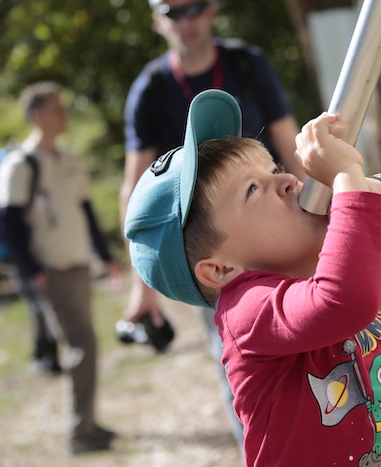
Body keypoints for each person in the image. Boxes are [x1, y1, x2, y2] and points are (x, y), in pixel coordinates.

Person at [124, 89, 381, 466]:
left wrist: (380, 189)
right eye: (253, 190)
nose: (288, 182)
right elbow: (341, 302)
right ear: (221, 270)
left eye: (274, 170)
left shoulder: (349, 266)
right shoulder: (247, 313)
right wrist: (348, 181)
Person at [120, 0, 302, 445]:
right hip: (209, 252)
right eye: (172, 11)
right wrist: (142, 287)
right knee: (238, 365)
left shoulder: (247, 63)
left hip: (276, 228)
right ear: (157, 21)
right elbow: (135, 197)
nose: (186, 21)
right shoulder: (150, 87)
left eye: (195, 7)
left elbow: (290, 145)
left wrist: (316, 204)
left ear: (213, 10)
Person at [0, 81, 122, 455]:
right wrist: (33, 270)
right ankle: (80, 434)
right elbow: (9, 223)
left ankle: (88, 425)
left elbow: (85, 211)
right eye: (56, 109)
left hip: (78, 265)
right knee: (84, 345)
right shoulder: (19, 165)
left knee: (85, 345)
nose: (64, 115)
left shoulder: (68, 159)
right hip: (51, 271)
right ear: (37, 116)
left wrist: (106, 255)